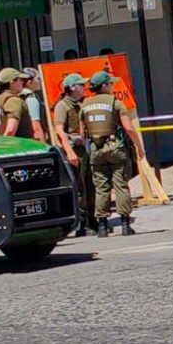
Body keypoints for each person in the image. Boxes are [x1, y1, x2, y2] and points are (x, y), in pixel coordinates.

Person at [81, 71, 145, 238]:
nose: (112, 86)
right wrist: (139, 147)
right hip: (116, 149)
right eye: (110, 83)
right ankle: (125, 225)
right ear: (104, 86)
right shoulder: (116, 103)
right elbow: (129, 128)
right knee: (120, 185)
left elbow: (83, 132)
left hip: (96, 151)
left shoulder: (85, 105)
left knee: (101, 189)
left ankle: (102, 226)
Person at [54, 73, 97, 237]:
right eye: (81, 85)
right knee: (79, 188)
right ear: (72, 87)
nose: (84, 88)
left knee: (89, 186)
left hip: (84, 149)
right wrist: (70, 151)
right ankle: (82, 224)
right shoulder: (62, 106)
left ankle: (92, 220)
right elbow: (59, 130)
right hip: (73, 151)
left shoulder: (81, 104)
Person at [0, 68, 33, 138]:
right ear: (12, 82)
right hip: (20, 145)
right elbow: (10, 130)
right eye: (20, 80)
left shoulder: (1, 98)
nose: (22, 82)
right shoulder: (14, 101)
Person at [20, 67, 46, 142]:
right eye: (38, 79)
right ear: (29, 82)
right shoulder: (31, 98)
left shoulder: (18, 95)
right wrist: (44, 148)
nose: (41, 82)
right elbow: (36, 127)